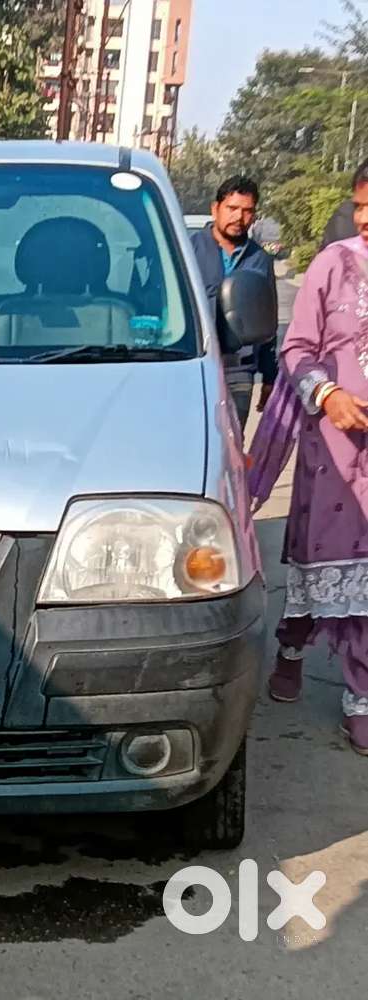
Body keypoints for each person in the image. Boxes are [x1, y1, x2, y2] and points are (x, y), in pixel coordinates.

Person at [248, 161, 368, 754]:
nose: (364, 218)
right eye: (360, 206)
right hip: (335, 450)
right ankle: (292, 647)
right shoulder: (334, 263)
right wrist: (329, 394)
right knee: (321, 563)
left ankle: (361, 698)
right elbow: (296, 349)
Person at [192, 176, 279, 430]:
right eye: (232, 208)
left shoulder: (260, 260)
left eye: (247, 211)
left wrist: (269, 376)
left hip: (240, 369)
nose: (239, 217)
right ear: (215, 208)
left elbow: (267, 321)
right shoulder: (188, 249)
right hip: (194, 363)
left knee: (232, 444)